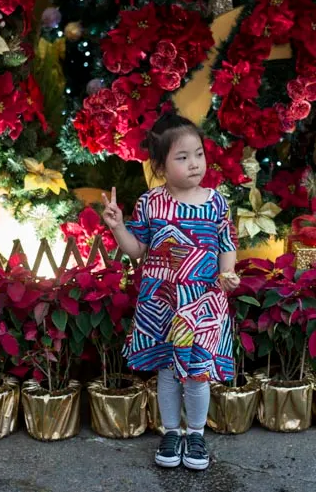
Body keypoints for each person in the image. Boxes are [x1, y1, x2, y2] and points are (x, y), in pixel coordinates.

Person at [101, 113, 240, 472]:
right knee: (166, 370)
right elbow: (136, 251)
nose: (194, 164)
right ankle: (172, 431)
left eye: (198, 154)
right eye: (182, 157)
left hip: (203, 302)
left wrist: (228, 272)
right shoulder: (150, 203)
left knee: (196, 372)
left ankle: (196, 433)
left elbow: (226, 242)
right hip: (161, 303)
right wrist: (118, 227)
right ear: (161, 166)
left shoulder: (215, 202)